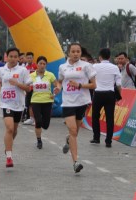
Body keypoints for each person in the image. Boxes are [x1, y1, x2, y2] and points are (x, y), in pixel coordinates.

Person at [57, 43, 96, 173]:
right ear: (68, 53)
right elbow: (60, 80)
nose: (75, 54)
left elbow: (94, 85)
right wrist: (58, 87)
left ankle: (69, 140)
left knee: (75, 132)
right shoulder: (63, 67)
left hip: (82, 102)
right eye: (73, 51)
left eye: (78, 51)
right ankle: (75, 162)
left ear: (81, 53)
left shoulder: (86, 66)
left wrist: (80, 85)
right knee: (73, 130)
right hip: (68, 102)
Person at [0, 47, 32, 168]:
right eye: (10, 56)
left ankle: (8, 146)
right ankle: (9, 157)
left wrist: (17, 83)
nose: (12, 59)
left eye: (15, 56)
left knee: (14, 130)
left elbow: (28, 88)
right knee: (9, 128)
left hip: (19, 104)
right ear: (6, 57)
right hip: (6, 103)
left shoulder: (23, 71)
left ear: (18, 58)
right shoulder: (1, 69)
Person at [91, 48, 122, 148]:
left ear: (100, 57)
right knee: (110, 118)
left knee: (95, 116)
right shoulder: (115, 67)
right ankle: (108, 141)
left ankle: (96, 138)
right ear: (109, 57)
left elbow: (90, 80)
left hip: (98, 93)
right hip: (110, 94)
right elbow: (118, 84)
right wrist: (118, 96)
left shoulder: (94, 66)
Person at [30, 56, 59, 149]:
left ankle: (42, 126)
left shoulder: (50, 75)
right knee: (38, 121)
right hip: (35, 101)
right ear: (37, 64)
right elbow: (26, 86)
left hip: (47, 101)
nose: (42, 66)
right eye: (40, 63)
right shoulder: (31, 76)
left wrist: (56, 90)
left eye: (44, 64)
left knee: (45, 125)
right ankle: (39, 140)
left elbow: (57, 84)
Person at [23, 52, 37, 125]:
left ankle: (36, 119)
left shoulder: (36, 66)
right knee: (29, 104)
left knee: (34, 103)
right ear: (26, 58)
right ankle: (31, 118)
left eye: (30, 58)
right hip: (28, 88)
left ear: (33, 58)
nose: (29, 59)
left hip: (35, 88)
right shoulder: (25, 68)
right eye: (28, 58)